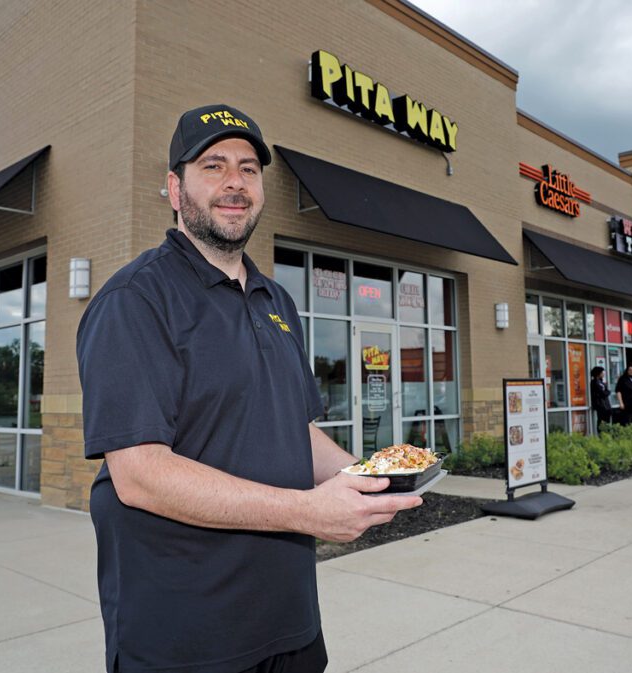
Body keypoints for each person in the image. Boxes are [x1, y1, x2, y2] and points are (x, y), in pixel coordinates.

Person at [76, 104, 421, 673]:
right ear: (173, 187)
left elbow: (296, 432)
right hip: (185, 637)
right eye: (213, 165)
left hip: (291, 628)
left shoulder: (276, 301)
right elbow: (138, 473)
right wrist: (307, 512)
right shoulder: (135, 301)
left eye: (249, 168)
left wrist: (369, 477)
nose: (234, 182)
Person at [589, 366, 613, 432]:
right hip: (600, 405)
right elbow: (602, 393)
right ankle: (602, 434)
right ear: (598, 373)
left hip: (606, 405)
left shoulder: (601, 382)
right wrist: (606, 392)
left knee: (607, 421)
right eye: (602, 372)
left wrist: (607, 392)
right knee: (601, 421)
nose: (603, 374)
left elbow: (607, 391)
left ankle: (606, 433)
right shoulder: (594, 382)